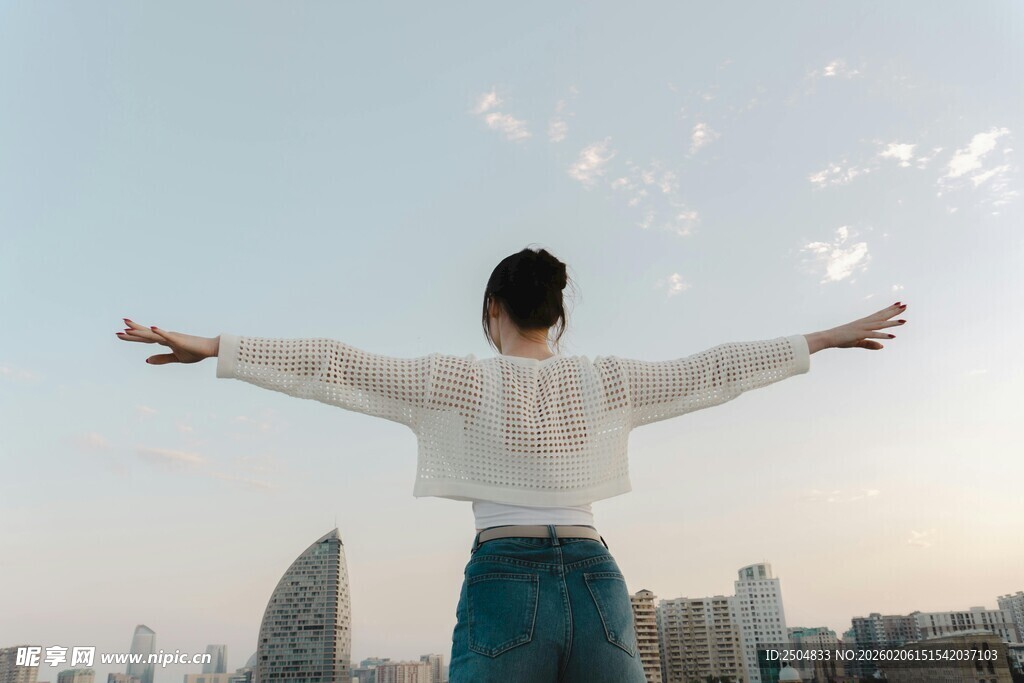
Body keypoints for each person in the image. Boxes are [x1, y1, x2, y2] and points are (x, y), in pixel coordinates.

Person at [115, 246, 908, 682]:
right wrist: (825, 337)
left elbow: (335, 364)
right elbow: (716, 367)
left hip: (505, 579)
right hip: (599, 582)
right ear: (557, 316)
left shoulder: (461, 376)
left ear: (493, 310)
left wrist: (218, 346)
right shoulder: (606, 378)